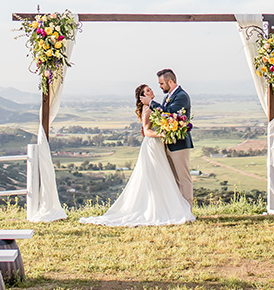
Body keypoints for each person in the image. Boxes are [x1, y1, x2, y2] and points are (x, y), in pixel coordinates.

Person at [79, 83, 194, 227]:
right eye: (147, 91)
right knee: (155, 177)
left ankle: (168, 207)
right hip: (153, 145)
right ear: (142, 97)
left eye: (151, 89)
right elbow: (146, 131)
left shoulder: (158, 104)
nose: (151, 90)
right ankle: (157, 209)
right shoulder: (147, 108)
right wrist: (161, 133)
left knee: (164, 177)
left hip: (159, 145)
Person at [149, 68, 194, 206]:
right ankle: (178, 209)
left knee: (183, 179)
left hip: (180, 144)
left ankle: (188, 209)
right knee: (174, 180)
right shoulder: (167, 97)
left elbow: (170, 112)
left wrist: (151, 104)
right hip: (169, 143)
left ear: (170, 81)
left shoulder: (181, 96)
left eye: (161, 84)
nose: (160, 87)